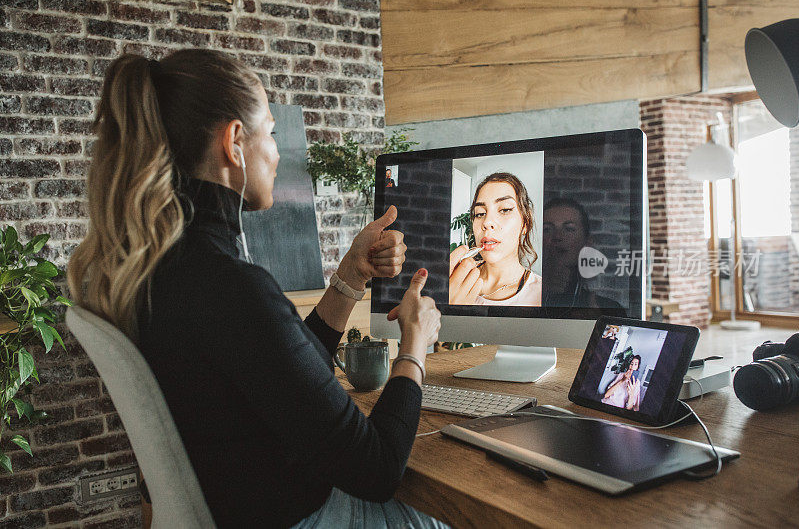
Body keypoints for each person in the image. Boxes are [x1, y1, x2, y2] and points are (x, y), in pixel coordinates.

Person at [66, 49, 445, 528]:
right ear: (234, 143)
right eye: (270, 131)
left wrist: (351, 275)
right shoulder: (228, 284)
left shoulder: (158, 270)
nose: (277, 150)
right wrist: (415, 341)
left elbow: (280, 368)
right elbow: (376, 469)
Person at [449, 172, 542, 306]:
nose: (486, 222)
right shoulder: (453, 282)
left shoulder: (541, 294)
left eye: (505, 210)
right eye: (480, 213)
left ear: (525, 224)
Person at [541, 197, 623, 310]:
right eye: (547, 229)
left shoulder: (608, 309)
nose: (557, 237)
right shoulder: (521, 300)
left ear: (587, 242)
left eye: (569, 229)